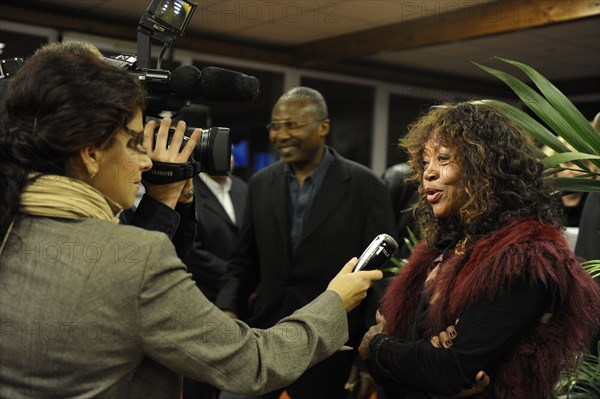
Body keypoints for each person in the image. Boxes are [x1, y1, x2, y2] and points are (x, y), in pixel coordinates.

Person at [0, 44, 384, 398]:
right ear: (90, 154)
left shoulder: (11, 227)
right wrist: (335, 301)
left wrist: (162, 200)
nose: (147, 161)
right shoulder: (135, 256)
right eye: (135, 142)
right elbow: (254, 362)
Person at [358, 101, 600, 399]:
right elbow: (425, 371)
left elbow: (449, 370)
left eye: (443, 158)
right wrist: (408, 357)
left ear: (485, 167)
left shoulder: (523, 258)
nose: (428, 173)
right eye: (425, 162)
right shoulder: (443, 247)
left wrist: (378, 345)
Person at [215, 86, 398, 399]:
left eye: (292, 125)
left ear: (323, 127)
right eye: (275, 126)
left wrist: (368, 358)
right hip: (264, 338)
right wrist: (227, 310)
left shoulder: (366, 186)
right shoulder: (261, 183)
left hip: (332, 348)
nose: (281, 135)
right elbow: (243, 261)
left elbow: (380, 280)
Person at [179, 156, 248, 399]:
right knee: (199, 377)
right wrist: (236, 275)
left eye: (230, 150)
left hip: (239, 300)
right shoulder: (187, 189)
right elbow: (193, 251)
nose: (227, 158)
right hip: (202, 295)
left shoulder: (242, 187)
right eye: (221, 150)